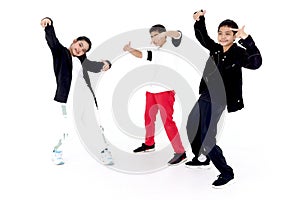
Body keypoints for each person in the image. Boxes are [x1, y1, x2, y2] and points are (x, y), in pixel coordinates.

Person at [185, 10, 262, 188]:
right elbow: (203, 37)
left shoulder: (238, 53)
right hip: (206, 94)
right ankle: (202, 158)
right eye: (220, 32)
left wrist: (247, 39)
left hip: (219, 99)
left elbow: (256, 63)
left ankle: (226, 172)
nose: (223, 36)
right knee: (191, 125)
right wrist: (200, 19)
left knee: (206, 135)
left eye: (228, 33)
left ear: (235, 36)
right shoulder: (216, 49)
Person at [41, 17, 113, 165]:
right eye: (80, 45)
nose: (80, 49)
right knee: (64, 130)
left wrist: (107, 63)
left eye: (83, 49)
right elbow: (53, 42)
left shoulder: (83, 62)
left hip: (83, 100)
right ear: (74, 41)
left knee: (93, 125)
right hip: (65, 101)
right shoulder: (61, 53)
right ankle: (57, 152)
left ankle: (104, 151)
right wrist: (49, 25)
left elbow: (95, 66)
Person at [123, 24, 187, 165]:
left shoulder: (173, 46)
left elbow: (177, 34)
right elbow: (142, 55)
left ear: (163, 35)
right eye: (152, 36)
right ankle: (149, 144)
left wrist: (164, 34)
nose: (154, 38)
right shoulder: (155, 51)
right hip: (151, 89)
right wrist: (129, 50)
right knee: (148, 118)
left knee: (167, 122)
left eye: (156, 35)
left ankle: (180, 152)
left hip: (165, 90)